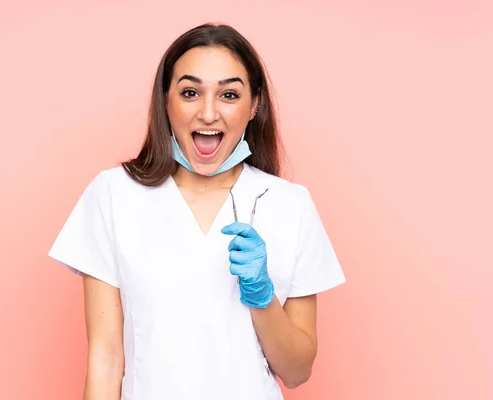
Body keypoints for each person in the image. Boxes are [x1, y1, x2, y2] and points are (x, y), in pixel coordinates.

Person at [48, 22, 346, 400]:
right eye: (190, 92)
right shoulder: (113, 195)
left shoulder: (290, 205)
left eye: (229, 95)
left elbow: (297, 370)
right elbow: (106, 358)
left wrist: (261, 295)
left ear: (254, 105)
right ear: (166, 102)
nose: (208, 113)